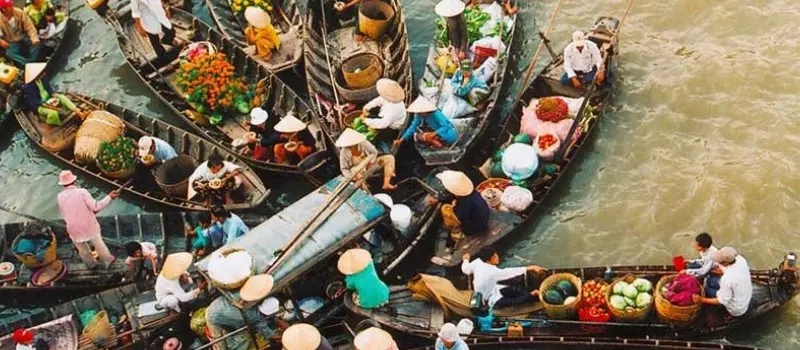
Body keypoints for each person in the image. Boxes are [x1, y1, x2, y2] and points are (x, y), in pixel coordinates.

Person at [56, 170, 119, 269]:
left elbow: (65, 213)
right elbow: (96, 207)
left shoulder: (59, 196)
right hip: (88, 225)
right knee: (98, 244)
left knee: (82, 249)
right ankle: (107, 260)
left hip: (72, 228)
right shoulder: (82, 192)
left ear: (63, 184)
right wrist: (109, 197)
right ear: (74, 181)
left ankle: (91, 265)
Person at [205, 274, 286, 348]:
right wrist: (284, 337)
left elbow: (270, 318)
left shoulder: (253, 297)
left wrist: (280, 322)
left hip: (219, 306)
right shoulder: (254, 316)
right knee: (220, 344)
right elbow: (268, 333)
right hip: (214, 316)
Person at [462, 247, 547, 309]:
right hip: (488, 297)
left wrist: (465, 260)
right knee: (513, 301)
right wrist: (529, 268)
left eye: (496, 255)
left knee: (515, 290)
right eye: (494, 257)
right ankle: (532, 294)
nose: (497, 258)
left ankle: (530, 293)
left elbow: (466, 269)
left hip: (493, 287)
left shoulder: (477, 261)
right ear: (487, 261)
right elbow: (509, 272)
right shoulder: (493, 272)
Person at [692, 247, 753, 317]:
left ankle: (729, 313)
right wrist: (722, 271)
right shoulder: (740, 259)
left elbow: (721, 300)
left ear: (725, 263)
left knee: (707, 290)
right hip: (744, 292)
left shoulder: (727, 279)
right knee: (710, 280)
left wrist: (701, 299)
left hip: (737, 307)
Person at [433, 170, 490, 241]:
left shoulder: (464, 204)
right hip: (485, 214)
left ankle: (461, 234)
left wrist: (454, 207)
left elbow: (460, 217)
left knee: (447, 211)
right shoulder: (473, 192)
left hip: (478, 227)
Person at [0, 0, 40, 66]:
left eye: (11, 5)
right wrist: (1, 41)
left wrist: (35, 39)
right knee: (9, 53)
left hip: (23, 37)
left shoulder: (19, 12)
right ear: (3, 9)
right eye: (10, 6)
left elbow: (30, 27)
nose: (12, 7)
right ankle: (28, 64)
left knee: (37, 45)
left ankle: (29, 63)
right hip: (11, 41)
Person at [681, 232, 721, 297]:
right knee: (689, 265)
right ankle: (698, 281)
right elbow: (703, 261)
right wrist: (691, 261)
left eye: (697, 245)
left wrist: (686, 272)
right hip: (707, 266)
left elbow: (704, 271)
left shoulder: (712, 255)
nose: (695, 246)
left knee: (708, 288)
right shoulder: (704, 250)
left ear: (704, 248)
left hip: (714, 271)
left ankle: (701, 285)